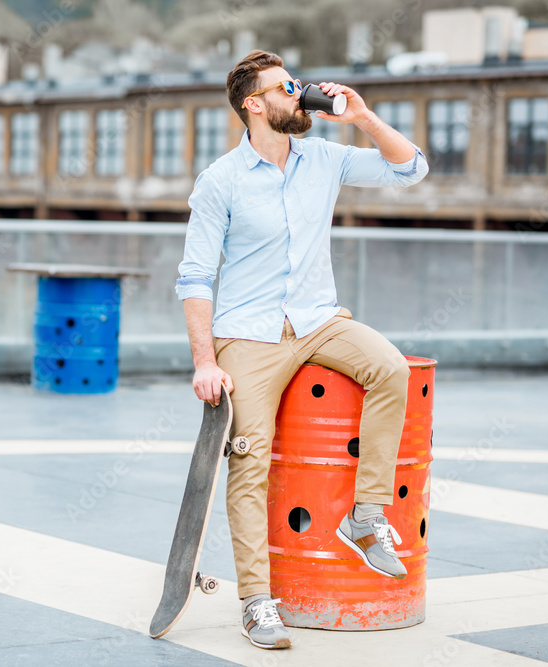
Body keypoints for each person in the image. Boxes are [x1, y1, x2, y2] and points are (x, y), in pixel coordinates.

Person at [174, 50, 430, 650]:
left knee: (391, 369)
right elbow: (194, 277)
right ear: (253, 105)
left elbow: (410, 169)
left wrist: (363, 117)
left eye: (298, 83)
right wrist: (205, 362)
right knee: (250, 459)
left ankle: (365, 519)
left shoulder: (325, 158)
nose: (300, 92)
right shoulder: (220, 181)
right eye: (285, 87)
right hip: (249, 333)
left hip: (319, 319)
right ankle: (257, 601)